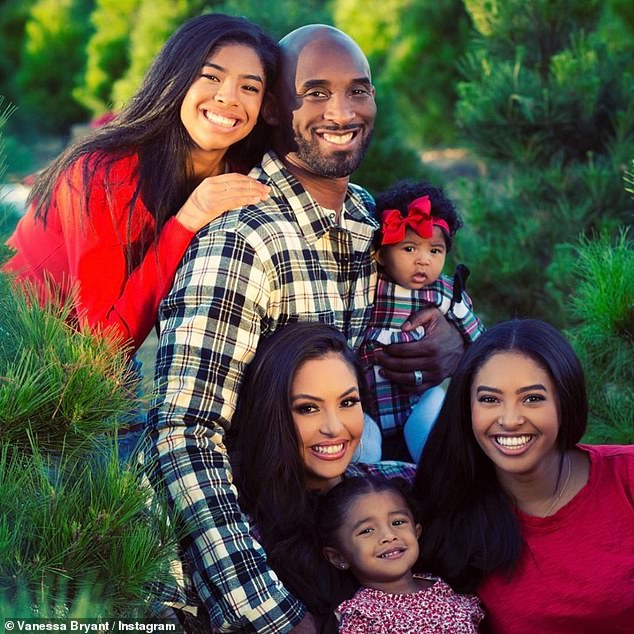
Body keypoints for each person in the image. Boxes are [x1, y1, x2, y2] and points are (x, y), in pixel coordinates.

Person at [147, 23, 464, 633]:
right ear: (273, 109)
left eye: (359, 91)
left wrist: (453, 339)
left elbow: (420, 310)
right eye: (314, 92)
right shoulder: (242, 242)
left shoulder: (373, 219)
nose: (341, 112)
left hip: (350, 531)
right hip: (261, 546)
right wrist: (272, 616)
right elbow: (182, 436)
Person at [3, 13, 274, 354]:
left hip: (91, 365)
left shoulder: (238, 176)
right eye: (210, 76)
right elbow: (105, 347)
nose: (229, 97)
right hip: (20, 356)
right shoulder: (108, 174)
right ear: (175, 79)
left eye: (249, 87)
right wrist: (187, 220)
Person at [412, 319, 634, 634]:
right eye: (489, 399)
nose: (510, 419)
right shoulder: (448, 512)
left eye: (532, 398)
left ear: (564, 400)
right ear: (467, 407)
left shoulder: (626, 475)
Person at [226, 322, 417, 633]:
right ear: (270, 415)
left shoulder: (400, 483)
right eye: (308, 408)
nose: (334, 427)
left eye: (347, 403)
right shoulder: (244, 535)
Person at [358, 181, 484, 461]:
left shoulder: (443, 293)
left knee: (435, 431)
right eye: (410, 249)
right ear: (380, 254)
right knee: (363, 450)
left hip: (417, 402)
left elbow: (477, 338)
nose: (423, 261)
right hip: (366, 406)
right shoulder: (366, 287)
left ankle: (438, 479)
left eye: (434, 251)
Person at [319, 476, 484, 633]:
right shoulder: (362, 618)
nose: (389, 536)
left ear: (416, 531)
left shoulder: (442, 587)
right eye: (367, 530)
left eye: (398, 522)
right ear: (338, 557)